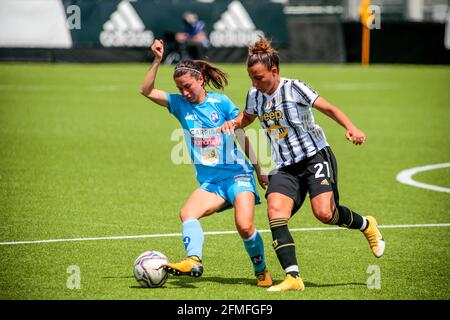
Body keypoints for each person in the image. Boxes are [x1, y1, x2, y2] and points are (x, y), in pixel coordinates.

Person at [220, 38, 385, 292]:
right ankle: (293, 277)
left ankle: (366, 224)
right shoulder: (255, 94)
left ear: (274, 72)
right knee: (276, 211)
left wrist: (351, 127)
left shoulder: (294, 87)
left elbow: (328, 108)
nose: (255, 83)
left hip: (315, 156)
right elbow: (248, 117)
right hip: (285, 166)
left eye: (259, 77)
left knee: (324, 213)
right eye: (251, 78)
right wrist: (235, 123)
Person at [139, 39, 272, 287]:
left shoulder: (220, 103)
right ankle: (194, 260)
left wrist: (259, 169)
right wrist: (157, 60)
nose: (184, 93)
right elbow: (146, 91)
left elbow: (241, 134)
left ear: (200, 80)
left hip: (237, 176)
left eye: (187, 87)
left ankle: (261, 270)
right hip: (211, 183)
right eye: (180, 89)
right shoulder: (179, 105)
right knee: (187, 213)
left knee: (244, 226)